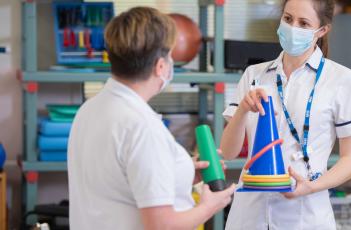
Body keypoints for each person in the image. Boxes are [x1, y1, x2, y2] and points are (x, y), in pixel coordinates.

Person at [67, 7, 235, 230]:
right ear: (160, 66)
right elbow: (161, 226)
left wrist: (180, 172)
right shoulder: (141, 126)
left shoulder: (90, 109)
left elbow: (119, 181)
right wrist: (210, 207)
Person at [220, 0, 351, 229]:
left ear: (322, 30)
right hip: (249, 216)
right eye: (288, 19)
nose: (293, 28)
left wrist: (312, 186)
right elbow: (230, 152)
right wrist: (243, 108)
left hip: (305, 215)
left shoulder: (341, 79)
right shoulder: (254, 75)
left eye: (303, 23)